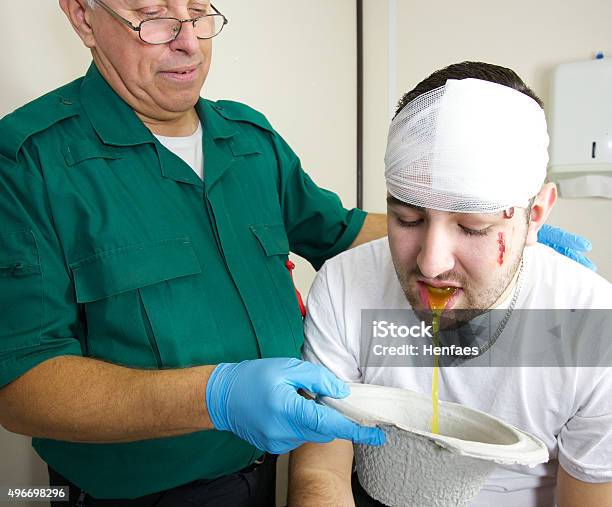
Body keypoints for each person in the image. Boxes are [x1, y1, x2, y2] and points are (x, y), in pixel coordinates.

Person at [0, 1, 590, 504]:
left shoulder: (251, 143)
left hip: (264, 477)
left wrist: (489, 236)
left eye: (199, 14)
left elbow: (340, 229)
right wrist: (216, 396)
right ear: (82, 14)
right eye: (153, 18)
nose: (188, 44)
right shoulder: (28, 163)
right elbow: (20, 386)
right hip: (128, 493)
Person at [289, 62, 612, 507]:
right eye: (408, 219)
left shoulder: (593, 325)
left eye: (473, 227)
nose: (431, 262)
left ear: (534, 215)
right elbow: (320, 473)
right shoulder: (344, 285)